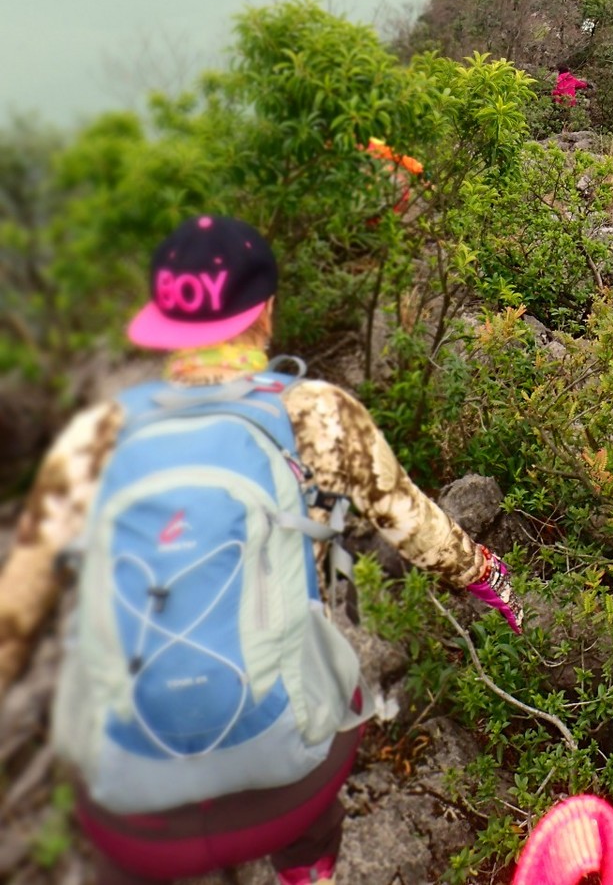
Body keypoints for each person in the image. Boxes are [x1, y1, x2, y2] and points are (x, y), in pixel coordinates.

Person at [0, 215, 521, 885]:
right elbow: (418, 531)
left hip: (133, 816)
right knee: (333, 692)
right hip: (281, 788)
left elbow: (16, 611)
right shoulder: (316, 413)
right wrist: (490, 580)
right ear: (266, 309)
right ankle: (307, 867)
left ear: (161, 318)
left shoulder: (97, 434)